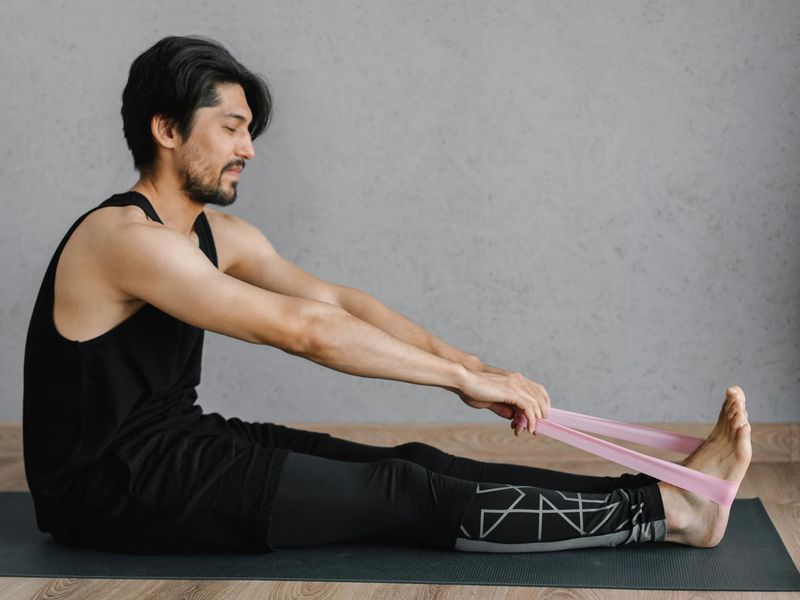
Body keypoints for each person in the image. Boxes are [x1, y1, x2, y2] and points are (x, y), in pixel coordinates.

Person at [22, 35, 751, 555]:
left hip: (180, 443)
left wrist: (465, 362)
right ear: (166, 129)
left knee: (413, 457)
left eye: (250, 131)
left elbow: (339, 303)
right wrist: (458, 379)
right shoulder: (122, 239)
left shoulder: (218, 234)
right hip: (109, 487)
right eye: (232, 128)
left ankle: (659, 495)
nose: (250, 148)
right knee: (398, 493)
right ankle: (673, 514)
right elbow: (301, 330)